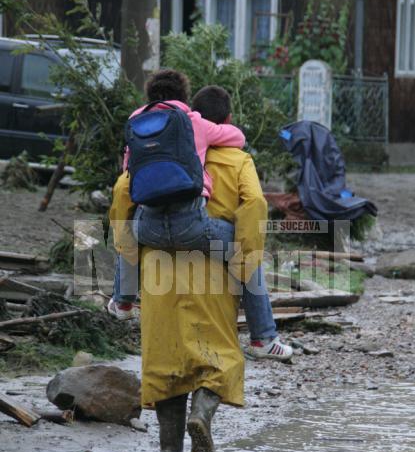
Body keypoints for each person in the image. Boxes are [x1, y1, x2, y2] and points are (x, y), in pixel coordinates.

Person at [110, 87, 287, 452]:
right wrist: (245, 261)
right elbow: (255, 203)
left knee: (165, 362)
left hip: (157, 270)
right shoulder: (238, 159)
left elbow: (122, 195)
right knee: (216, 356)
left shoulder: (158, 155)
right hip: (212, 273)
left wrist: (127, 269)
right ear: (222, 121)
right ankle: (201, 416)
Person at [110, 78, 293, 361]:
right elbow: (241, 148)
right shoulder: (194, 123)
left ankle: (122, 301)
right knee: (246, 253)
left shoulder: (136, 122)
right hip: (193, 227)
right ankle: (264, 338)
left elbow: (125, 184)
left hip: (148, 229)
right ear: (185, 99)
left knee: (125, 233)